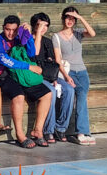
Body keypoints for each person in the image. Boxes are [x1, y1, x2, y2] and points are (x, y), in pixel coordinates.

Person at [0, 15, 52, 148]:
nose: (11, 33)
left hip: (21, 74)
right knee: (19, 96)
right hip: (3, 75)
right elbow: (6, 61)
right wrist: (29, 67)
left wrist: (28, 35)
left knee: (47, 94)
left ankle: (38, 130)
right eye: (7, 29)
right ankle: (20, 134)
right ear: (3, 28)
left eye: (14, 30)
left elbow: (32, 53)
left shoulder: (19, 38)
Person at [52, 6, 97, 145]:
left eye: (73, 18)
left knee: (82, 102)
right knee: (67, 100)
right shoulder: (56, 36)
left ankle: (82, 133)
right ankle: (59, 129)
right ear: (63, 18)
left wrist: (81, 18)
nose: (70, 20)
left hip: (82, 72)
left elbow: (92, 34)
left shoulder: (79, 33)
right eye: (68, 17)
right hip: (68, 72)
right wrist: (66, 76)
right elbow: (58, 59)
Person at [31, 12, 75, 144]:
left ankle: (60, 128)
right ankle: (48, 129)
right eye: (40, 25)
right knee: (51, 92)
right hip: (36, 77)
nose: (43, 28)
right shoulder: (28, 40)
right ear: (34, 26)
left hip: (50, 75)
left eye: (46, 26)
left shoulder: (48, 42)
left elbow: (54, 62)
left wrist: (55, 78)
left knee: (69, 90)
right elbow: (34, 56)